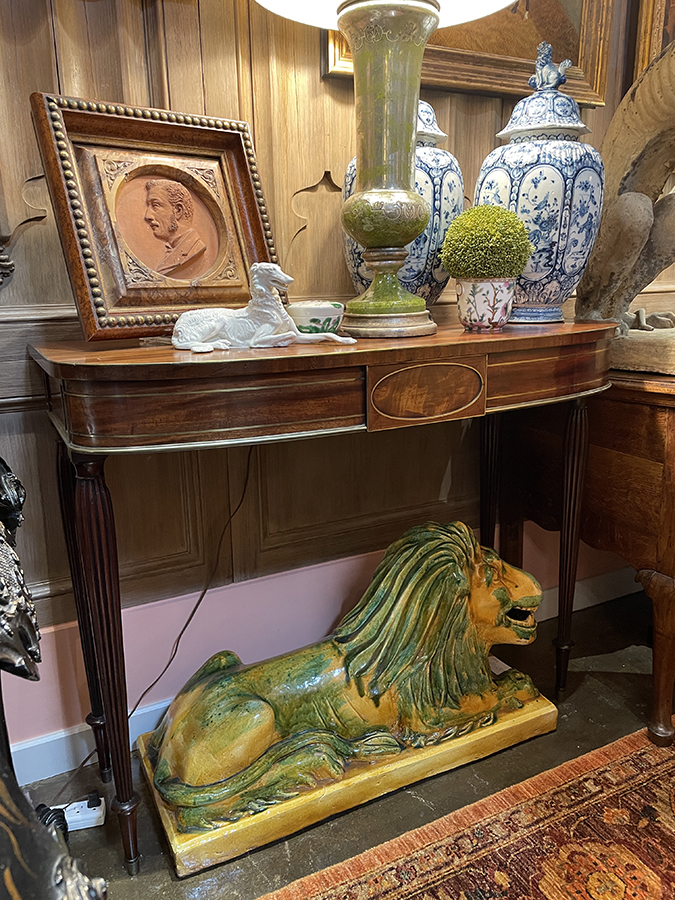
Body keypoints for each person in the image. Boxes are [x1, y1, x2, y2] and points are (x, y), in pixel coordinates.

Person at [144, 179, 206, 276]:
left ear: (178, 211)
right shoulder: (173, 248)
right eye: (148, 206)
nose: (148, 216)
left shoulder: (194, 249)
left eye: (155, 205)